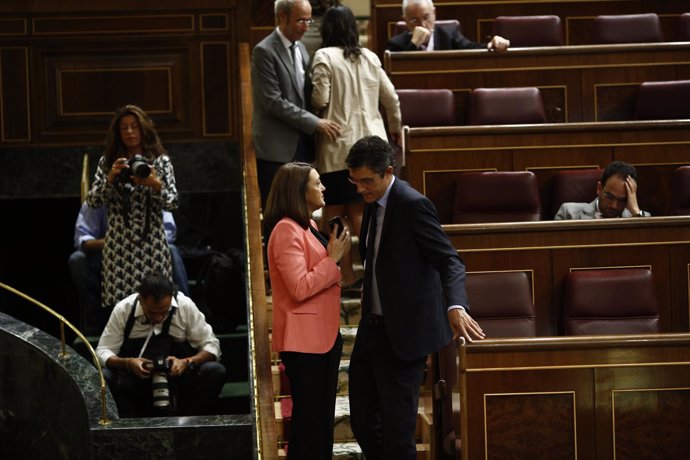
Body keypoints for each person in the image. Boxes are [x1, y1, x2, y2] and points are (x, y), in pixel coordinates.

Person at [345, 135, 485, 460]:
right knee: (363, 423)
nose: (361, 189)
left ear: (388, 171)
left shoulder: (413, 204)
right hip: (371, 331)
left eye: (367, 181)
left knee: (398, 434)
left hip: (404, 336)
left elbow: (450, 259)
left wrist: (455, 304)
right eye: (355, 181)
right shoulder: (371, 203)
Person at [263, 162, 351, 459]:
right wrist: (333, 260)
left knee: (320, 420)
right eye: (317, 183)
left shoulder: (308, 225)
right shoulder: (285, 230)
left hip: (322, 336)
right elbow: (299, 287)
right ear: (298, 191)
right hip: (304, 342)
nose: (323, 188)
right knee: (310, 422)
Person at [311, 4, 402, 241]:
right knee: (360, 209)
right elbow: (391, 98)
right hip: (373, 145)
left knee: (333, 213)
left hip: (338, 147)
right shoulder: (370, 57)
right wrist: (395, 128)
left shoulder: (324, 56)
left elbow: (320, 98)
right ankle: (371, 267)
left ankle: (343, 274)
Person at [85, 104, 178, 309]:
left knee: (158, 304)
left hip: (152, 244)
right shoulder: (108, 162)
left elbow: (173, 202)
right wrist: (110, 178)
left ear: (143, 129)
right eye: (124, 128)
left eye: (134, 126)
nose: (129, 132)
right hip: (119, 247)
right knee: (122, 311)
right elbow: (92, 202)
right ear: (117, 133)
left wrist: (154, 184)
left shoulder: (160, 162)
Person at [96, 273, 225, 417]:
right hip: (137, 380)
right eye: (152, 312)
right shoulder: (124, 309)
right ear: (141, 300)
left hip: (177, 380)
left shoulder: (184, 306)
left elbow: (212, 346)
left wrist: (187, 362)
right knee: (105, 378)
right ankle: (133, 428)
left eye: (164, 312)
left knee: (214, 371)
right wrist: (128, 363)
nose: (158, 318)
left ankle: (188, 425)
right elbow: (102, 350)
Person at [251, 0, 341, 205]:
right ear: (282, 17)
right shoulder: (264, 51)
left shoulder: (301, 49)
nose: (306, 26)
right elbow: (272, 101)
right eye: (300, 20)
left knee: (301, 209)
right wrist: (315, 123)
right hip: (275, 147)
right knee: (278, 210)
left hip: (302, 144)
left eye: (308, 20)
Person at [68, 201, 190, 334]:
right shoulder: (101, 194)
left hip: (149, 251)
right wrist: (116, 242)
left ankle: (184, 313)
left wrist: (142, 241)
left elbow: (169, 232)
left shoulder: (152, 190)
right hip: (108, 253)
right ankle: (101, 318)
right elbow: (82, 239)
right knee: (77, 260)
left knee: (171, 250)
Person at [386, 0, 510, 52]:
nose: (422, 25)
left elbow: (471, 48)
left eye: (426, 17)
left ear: (434, 14)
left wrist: (492, 44)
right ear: (405, 21)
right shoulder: (395, 44)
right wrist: (414, 44)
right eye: (414, 20)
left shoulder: (449, 34)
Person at [555, 161, 651, 219]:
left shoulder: (639, 217)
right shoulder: (568, 213)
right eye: (609, 197)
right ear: (599, 188)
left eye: (622, 200)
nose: (614, 206)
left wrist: (635, 211)